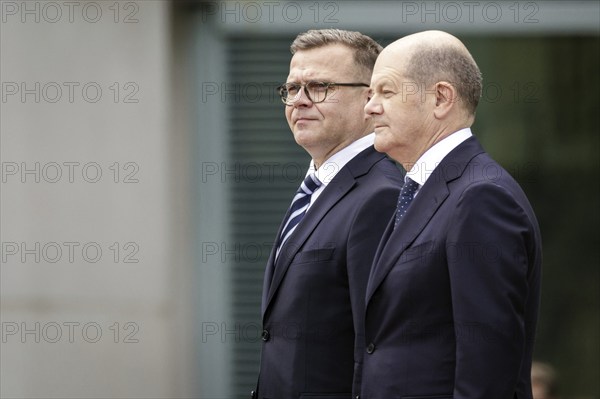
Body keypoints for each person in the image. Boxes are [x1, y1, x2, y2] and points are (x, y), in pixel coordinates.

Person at [360, 30, 542, 398]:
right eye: (369, 94)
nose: (369, 107)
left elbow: (488, 370)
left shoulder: (481, 198)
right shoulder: (422, 191)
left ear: (441, 98)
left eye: (386, 92)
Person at [253, 29, 403, 399]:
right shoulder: (317, 187)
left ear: (369, 98)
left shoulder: (380, 196)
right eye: (291, 89)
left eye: (318, 87)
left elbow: (378, 348)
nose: (299, 101)